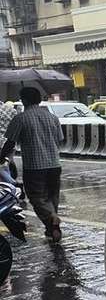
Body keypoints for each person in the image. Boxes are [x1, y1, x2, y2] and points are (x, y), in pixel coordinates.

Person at [0, 87, 64, 242]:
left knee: (37, 198)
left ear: (24, 100)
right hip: (54, 164)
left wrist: (1, 157)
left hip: (34, 166)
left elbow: (10, 142)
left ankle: (51, 219)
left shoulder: (21, 119)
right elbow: (60, 139)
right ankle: (52, 229)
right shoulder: (52, 117)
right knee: (52, 197)